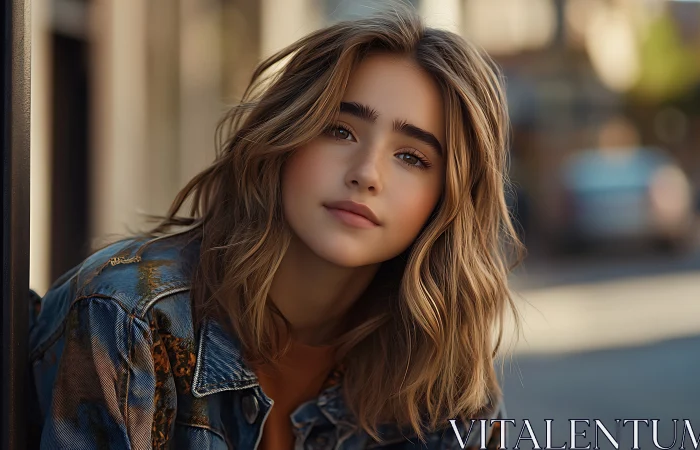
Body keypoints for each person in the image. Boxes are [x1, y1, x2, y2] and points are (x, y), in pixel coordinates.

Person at [29, 5, 523, 449]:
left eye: (412, 157)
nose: (367, 173)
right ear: (287, 134)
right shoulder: (128, 318)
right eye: (340, 129)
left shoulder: (440, 384)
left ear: (448, 200)